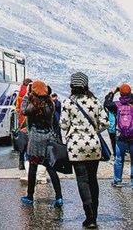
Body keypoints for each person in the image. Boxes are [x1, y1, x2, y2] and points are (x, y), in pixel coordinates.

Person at [60, 72, 108, 229]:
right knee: (93, 179)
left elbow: (64, 125)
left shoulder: (68, 103)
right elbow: (105, 122)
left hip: (76, 147)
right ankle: (95, 214)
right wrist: (94, 131)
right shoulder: (94, 101)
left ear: (72, 86)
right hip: (94, 145)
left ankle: (89, 216)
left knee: (82, 179)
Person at [20, 80, 63, 207]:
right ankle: (59, 196)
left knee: (33, 167)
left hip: (35, 139)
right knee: (51, 168)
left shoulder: (33, 104)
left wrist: (27, 96)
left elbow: (23, 110)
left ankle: (30, 196)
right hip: (48, 137)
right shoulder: (50, 104)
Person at [104, 83, 133, 187]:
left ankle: (117, 181)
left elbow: (106, 103)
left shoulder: (116, 105)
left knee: (119, 159)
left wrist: (113, 92)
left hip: (121, 137)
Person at [15, 78, 32, 171]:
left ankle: (21, 163)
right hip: (28, 121)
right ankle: (29, 163)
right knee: (30, 143)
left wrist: (19, 116)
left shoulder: (20, 93)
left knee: (23, 143)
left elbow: (17, 108)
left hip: (21, 121)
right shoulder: (30, 95)